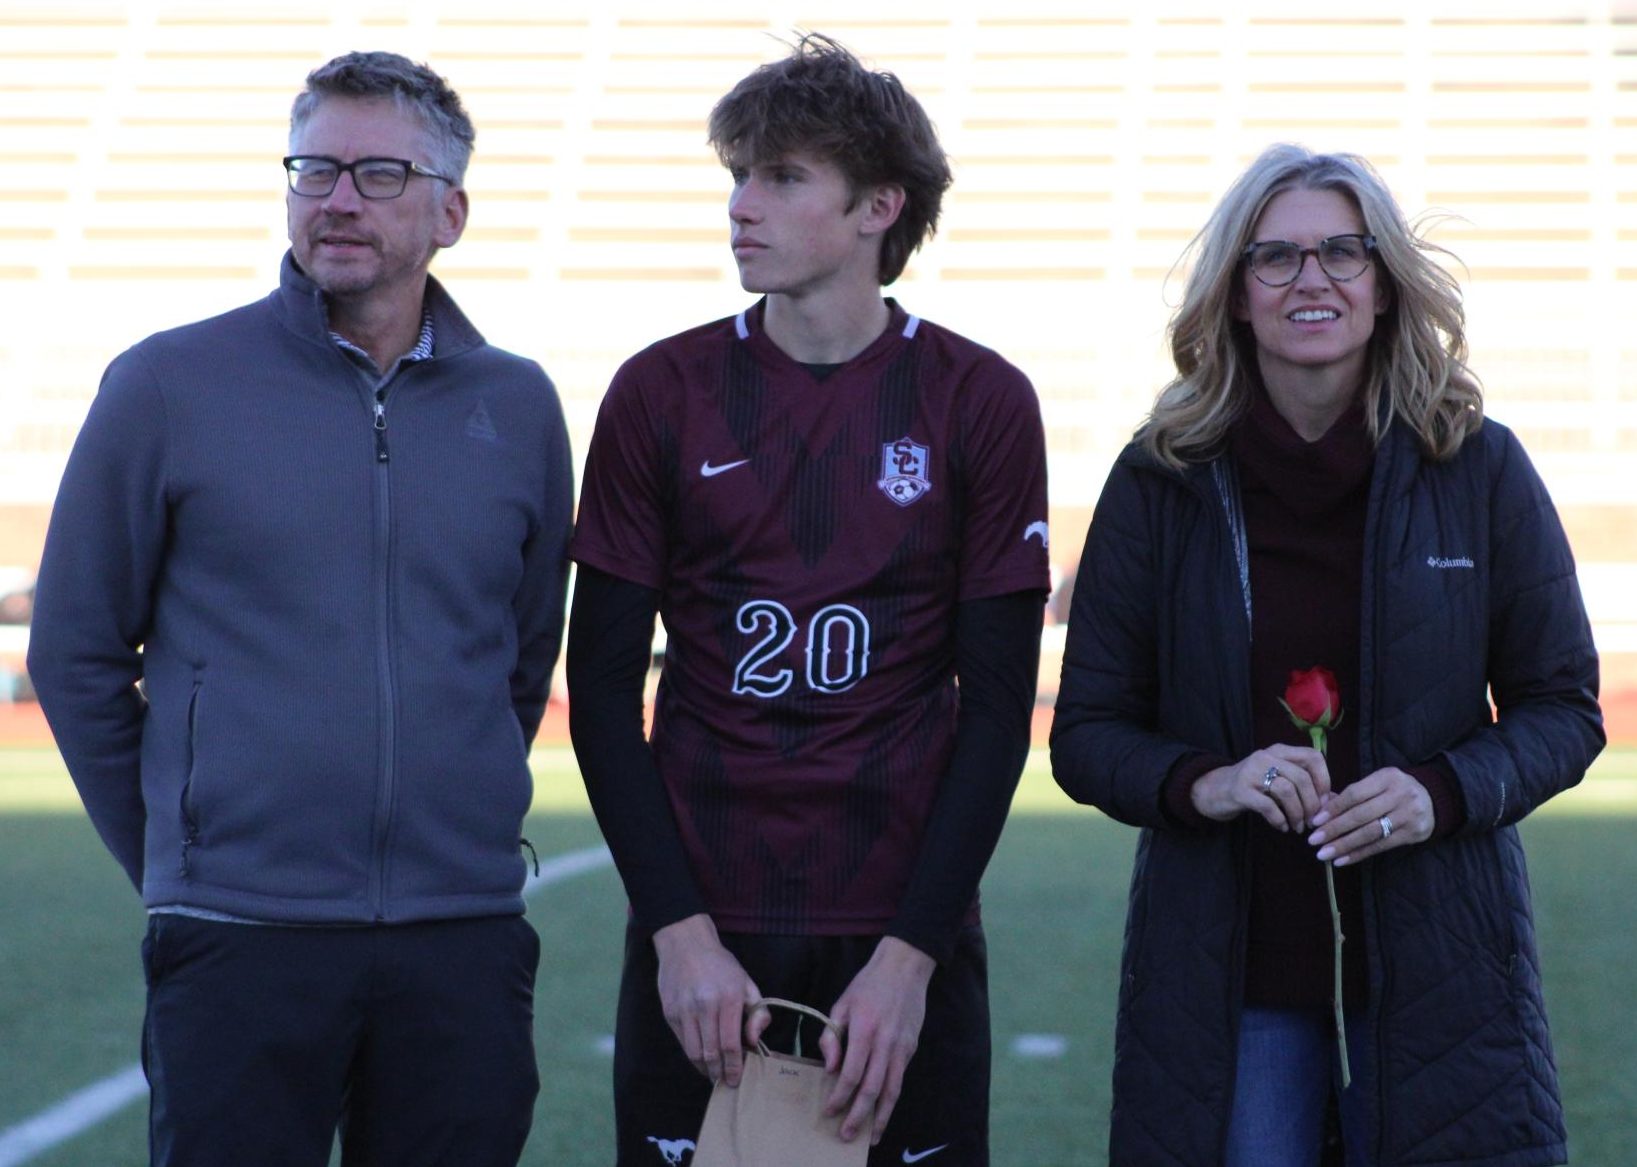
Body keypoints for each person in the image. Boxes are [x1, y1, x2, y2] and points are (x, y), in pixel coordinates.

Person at [26, 51, 572, 1167]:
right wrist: (186, 859)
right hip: (238, 938)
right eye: (313, 169)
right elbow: (76, 653)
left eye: (377, 174)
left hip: (459, 938)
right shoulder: (168, 385)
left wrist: (447, 824)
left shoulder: (517, 406)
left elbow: (521, 657)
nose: (335, 200)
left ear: (450, 212)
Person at [1050, 142, 1603, 1167]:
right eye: (1275, 258)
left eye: (1342, 253)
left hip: (1441, 978)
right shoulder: (1158, 480)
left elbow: (1563, 710)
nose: (1311, 278)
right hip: (1234, 979)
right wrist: (1208, 784)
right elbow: (1084, 734)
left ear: (1384, 286)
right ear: (1234, 294)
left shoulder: (1475, 465)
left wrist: (1436, 793)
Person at [567, 34, 1050, 1166]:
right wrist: (676, 938)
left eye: (781, 177)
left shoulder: (977, 399)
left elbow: (992, 715)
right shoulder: (659, 391)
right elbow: (596, 697)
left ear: (880, 205)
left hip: (894, 936)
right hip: (704, 934)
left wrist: (911, 958)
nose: (741, 204)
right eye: (738, 174)